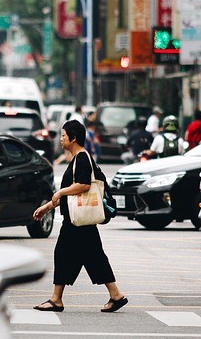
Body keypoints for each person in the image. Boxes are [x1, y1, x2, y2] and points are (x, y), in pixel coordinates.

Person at [32, 120, 126, 313]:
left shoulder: (82, 158)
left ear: (73, 138)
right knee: (94, 257)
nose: (61, 139)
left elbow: (83, 185)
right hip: (78, 219)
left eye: (64, 135)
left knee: (65, 253)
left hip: (78, 220)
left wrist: (59, 193)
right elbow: (74, 192)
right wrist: (47, 207)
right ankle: (115, 295)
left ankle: (56, 299)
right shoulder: (78, 158)